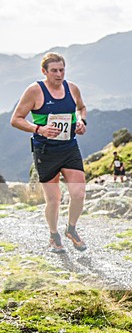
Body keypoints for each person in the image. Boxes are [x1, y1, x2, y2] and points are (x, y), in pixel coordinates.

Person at [10, 52, 88, 253]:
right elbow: (16, 119)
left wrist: (81, 121)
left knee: (78, 193)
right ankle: (54, 234)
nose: (59, 74)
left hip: (69, 146)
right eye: (54, 70)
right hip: (45, 149)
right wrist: (39, 129)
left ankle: (71, 229)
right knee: (54, 199)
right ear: (44, 71)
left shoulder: (72, 88)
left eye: (62, 70)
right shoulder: (35, 91)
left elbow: (82, 108)